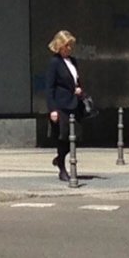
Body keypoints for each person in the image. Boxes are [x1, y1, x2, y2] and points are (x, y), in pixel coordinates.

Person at [45, 30, 82, 182]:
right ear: (60, 46)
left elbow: (76, 80)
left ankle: (59, 158)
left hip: (74, 103)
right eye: (66, 45)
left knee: (77, 137)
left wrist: (78, 89)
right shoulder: (54, 62)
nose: (69, 48)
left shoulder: (73, 61)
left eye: (70, 45)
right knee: (63, 136)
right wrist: (52, 109)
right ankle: (62, 168)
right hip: (61, 105)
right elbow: (49, 87)